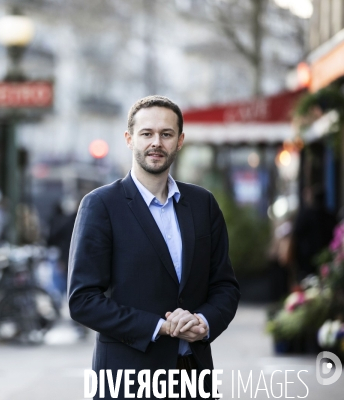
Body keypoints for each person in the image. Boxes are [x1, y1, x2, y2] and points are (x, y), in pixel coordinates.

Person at [68, 96, 240, 399]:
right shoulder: (101, 205)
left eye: (166, 134)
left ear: (180, 140)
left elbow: (225, 285)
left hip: (193, 375)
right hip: (127, 379)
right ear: (129, 138)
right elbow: (83, 300)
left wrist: (204, 321)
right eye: (147, 133)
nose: (156, 142)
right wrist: (160, 326)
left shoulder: (203, 204)